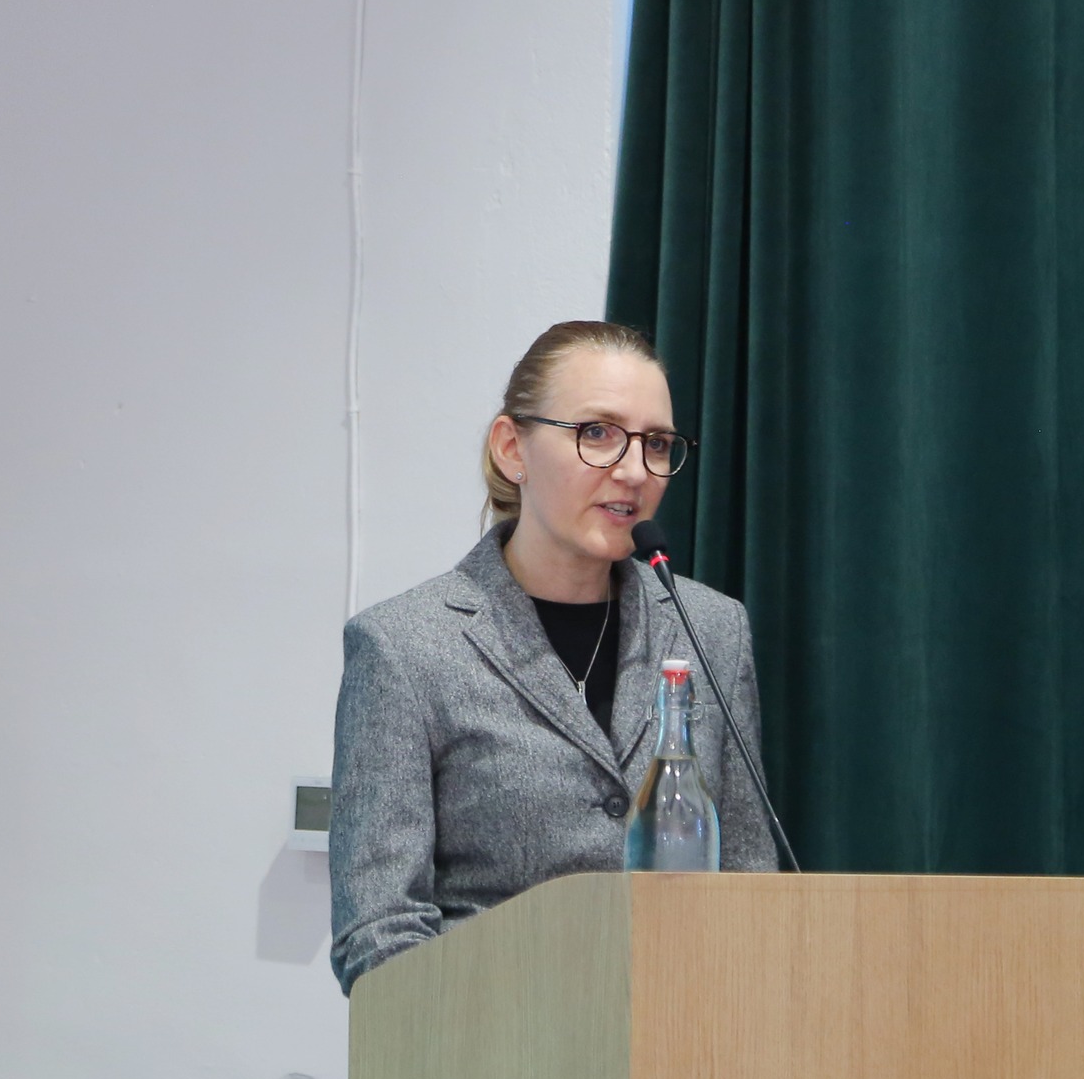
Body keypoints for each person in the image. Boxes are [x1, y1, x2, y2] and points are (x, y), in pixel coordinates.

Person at [328, 320, 777, 993]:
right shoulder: (405, 648)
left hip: (685, 1034)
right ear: (513, 448)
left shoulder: (711, 628)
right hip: (495, 1046)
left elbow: (751, 884)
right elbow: (379, 933)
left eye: (657, 443)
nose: (634, 471)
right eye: (597, 432)